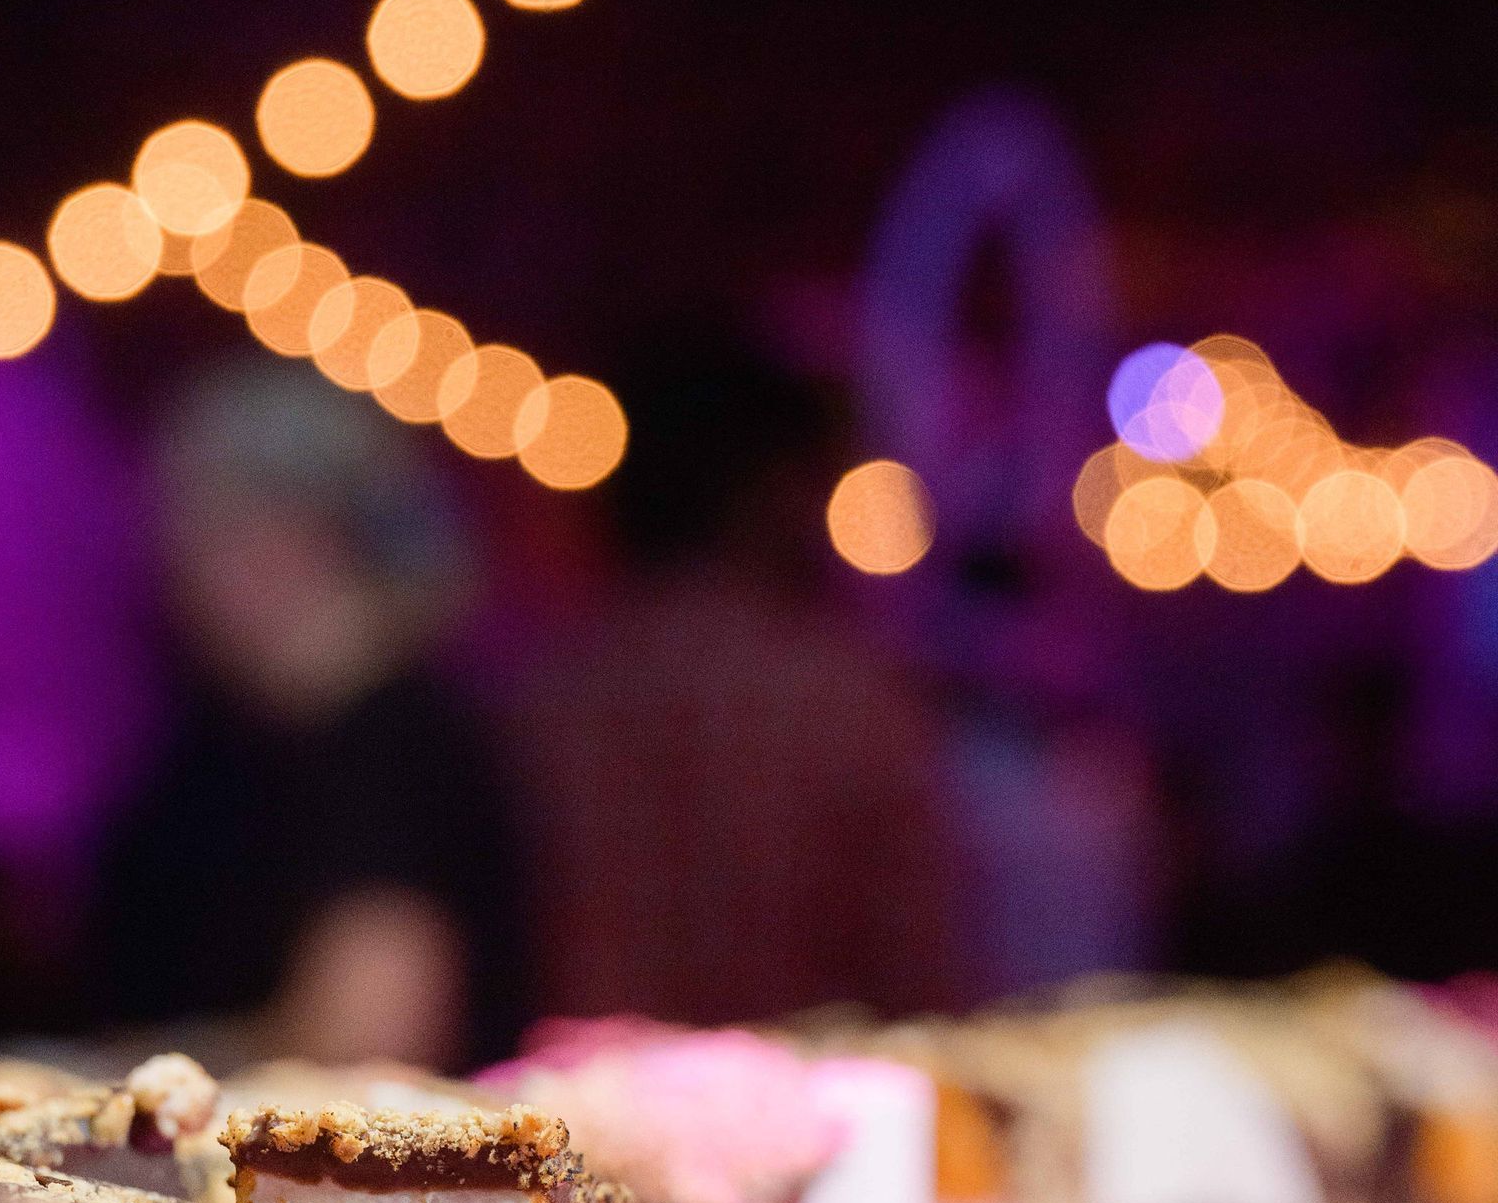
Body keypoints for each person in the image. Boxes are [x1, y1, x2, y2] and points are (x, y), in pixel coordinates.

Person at [507, 329, 969, 1031]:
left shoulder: (542, 702)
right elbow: (926, 979)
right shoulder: (845, 703)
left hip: (573, 1113)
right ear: (769, 488)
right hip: (806, 1120)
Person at [97, 361, 525, 1074]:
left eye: (194, 523)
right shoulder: (253, 741)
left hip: (351, 1179)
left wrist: (81, 1082)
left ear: (284, 531)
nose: (169, 564)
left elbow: (368, 1040)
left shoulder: (391, 744)